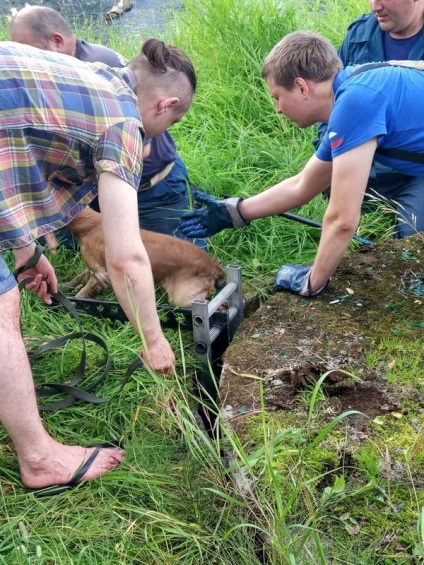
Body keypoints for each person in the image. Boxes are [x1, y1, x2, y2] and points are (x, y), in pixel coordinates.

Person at [0, 37, 196, 493]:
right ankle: (40, 459)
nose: (162, 134)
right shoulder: (124, 124)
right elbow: (125, 258)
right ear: (165, 105)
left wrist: (25, 249)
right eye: (174, 121)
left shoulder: (100, 78)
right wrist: (153, 340)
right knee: (3, 306)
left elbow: (16, 139)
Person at [178, 31, 424, 297]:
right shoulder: (354, 88)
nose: (278, 110)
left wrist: (312, 282)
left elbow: (343, 219)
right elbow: (304, 183)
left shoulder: (355, 103)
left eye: (277, 97)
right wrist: (235, 212)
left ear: (301, 87)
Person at [9, 5, 201, 244]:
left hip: (148, 186)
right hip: (96, 182)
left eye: (27, 50)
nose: (24, 58)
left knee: (173, 257)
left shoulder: (99, 67)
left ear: (57, 41)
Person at [316, 0, 424, 238]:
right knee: (332, 223)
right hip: (363, 163)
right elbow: (329, 99)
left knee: (412, 237)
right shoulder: (360, 33)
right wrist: (331, 158)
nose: (375, 6)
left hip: (416, 170)